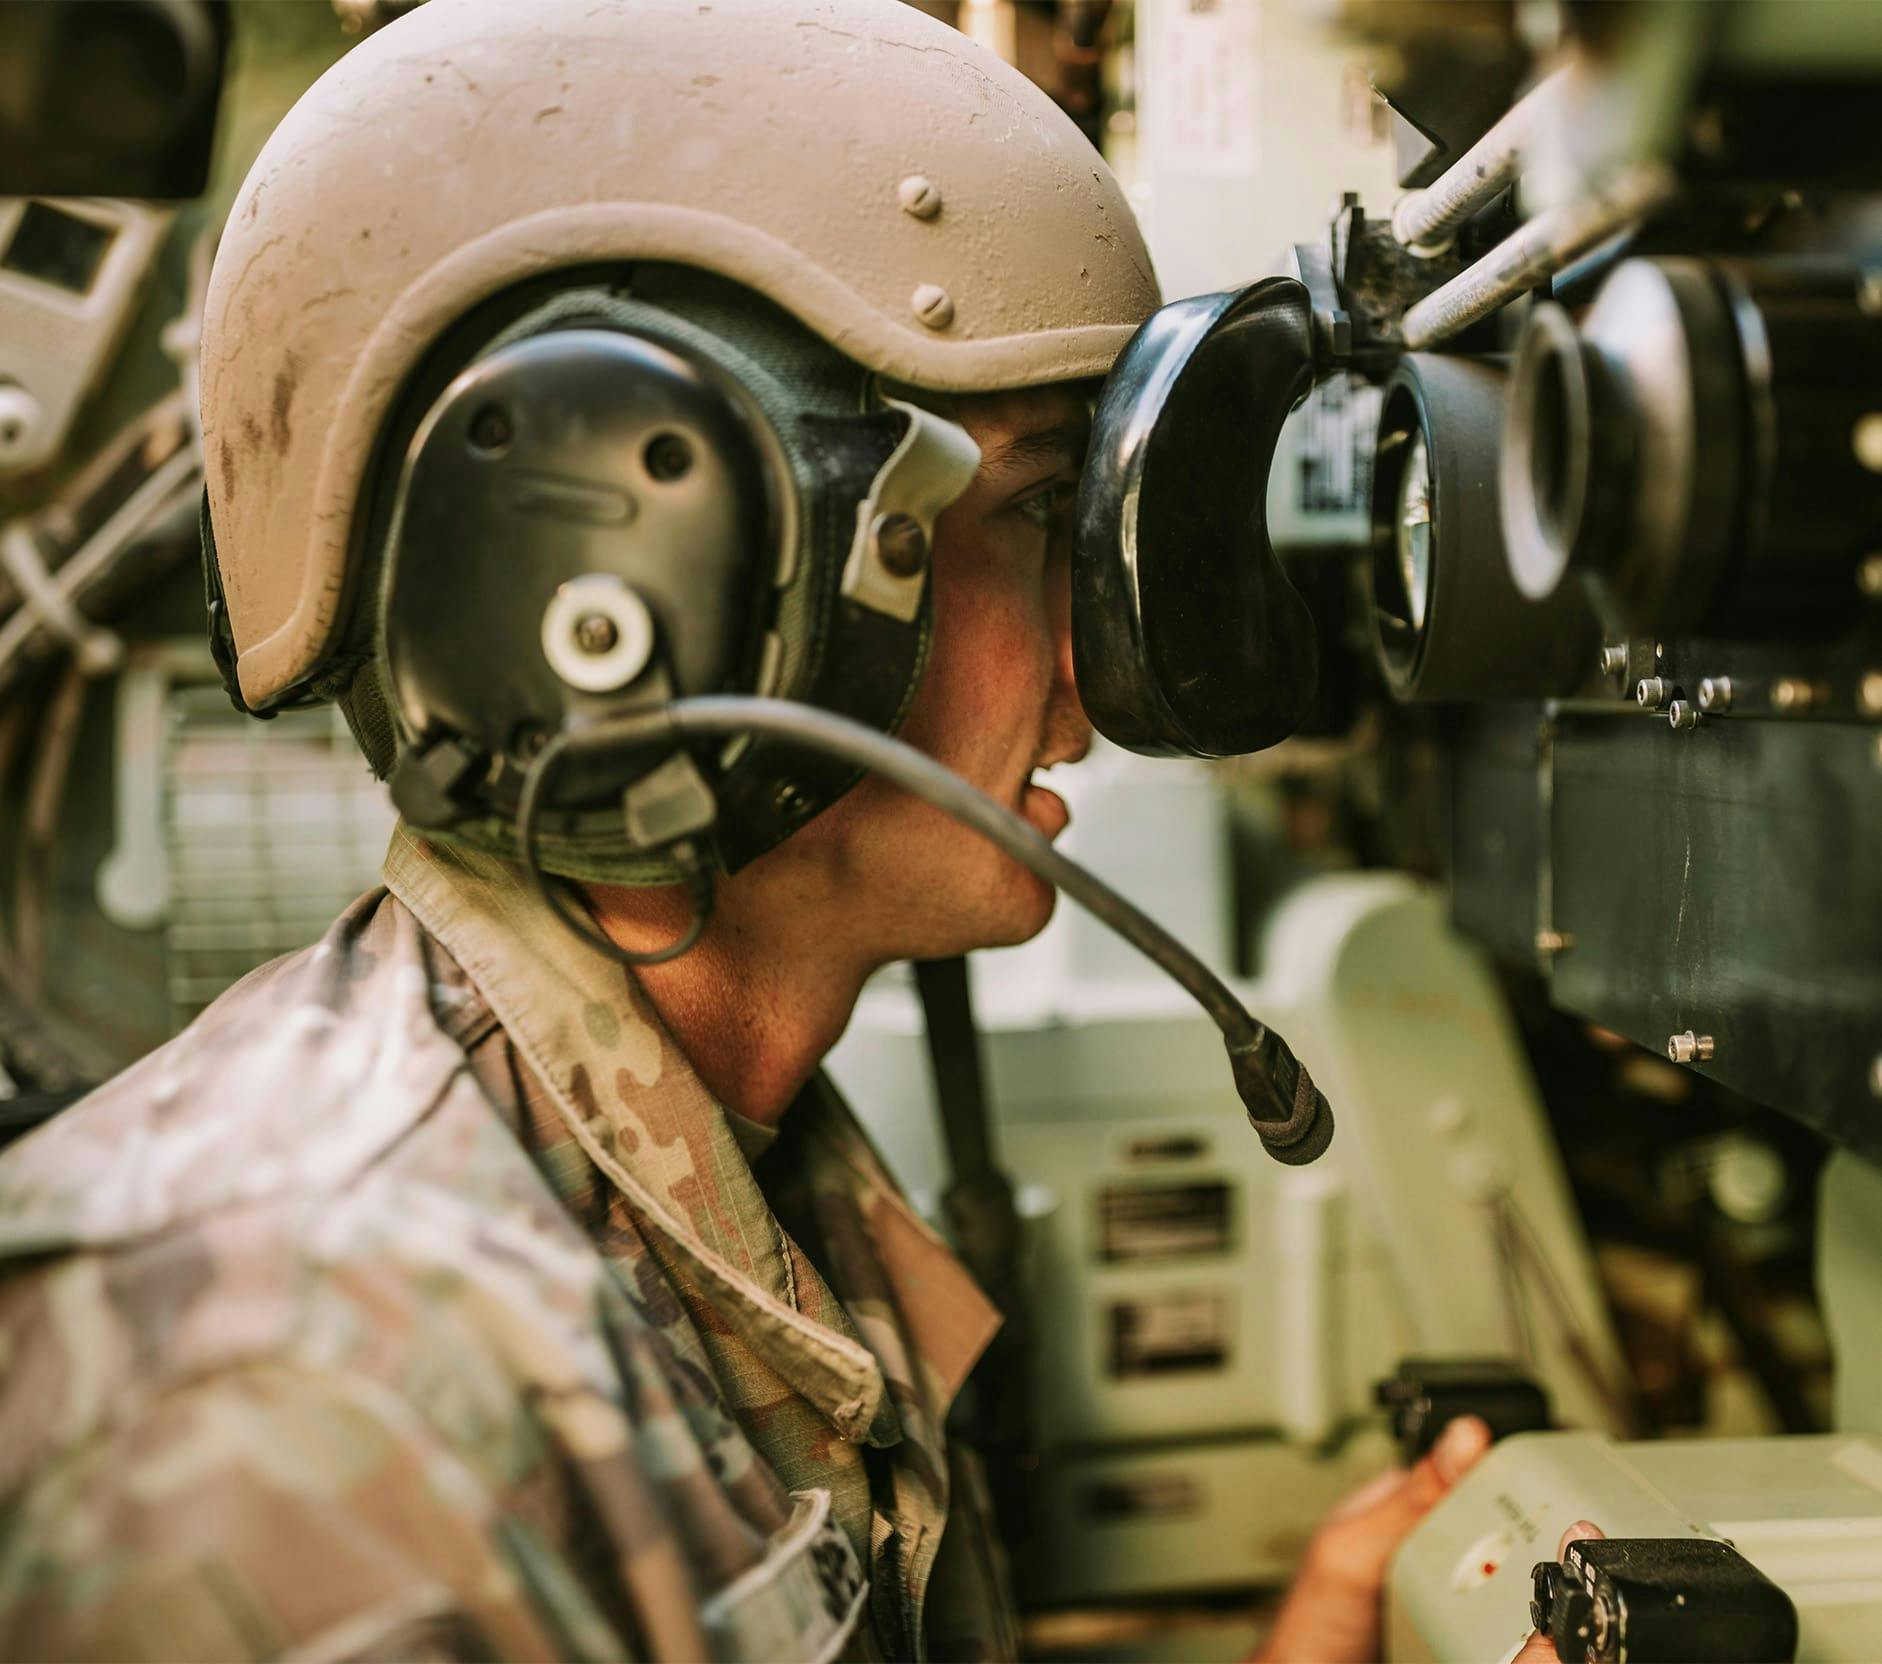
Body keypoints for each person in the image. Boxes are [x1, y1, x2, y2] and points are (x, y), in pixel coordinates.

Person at [0, 1, 1541, 1657]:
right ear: (644, 586)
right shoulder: (293, 1405)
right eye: (1030, 513)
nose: (1097, 665)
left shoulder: (739, 1194)